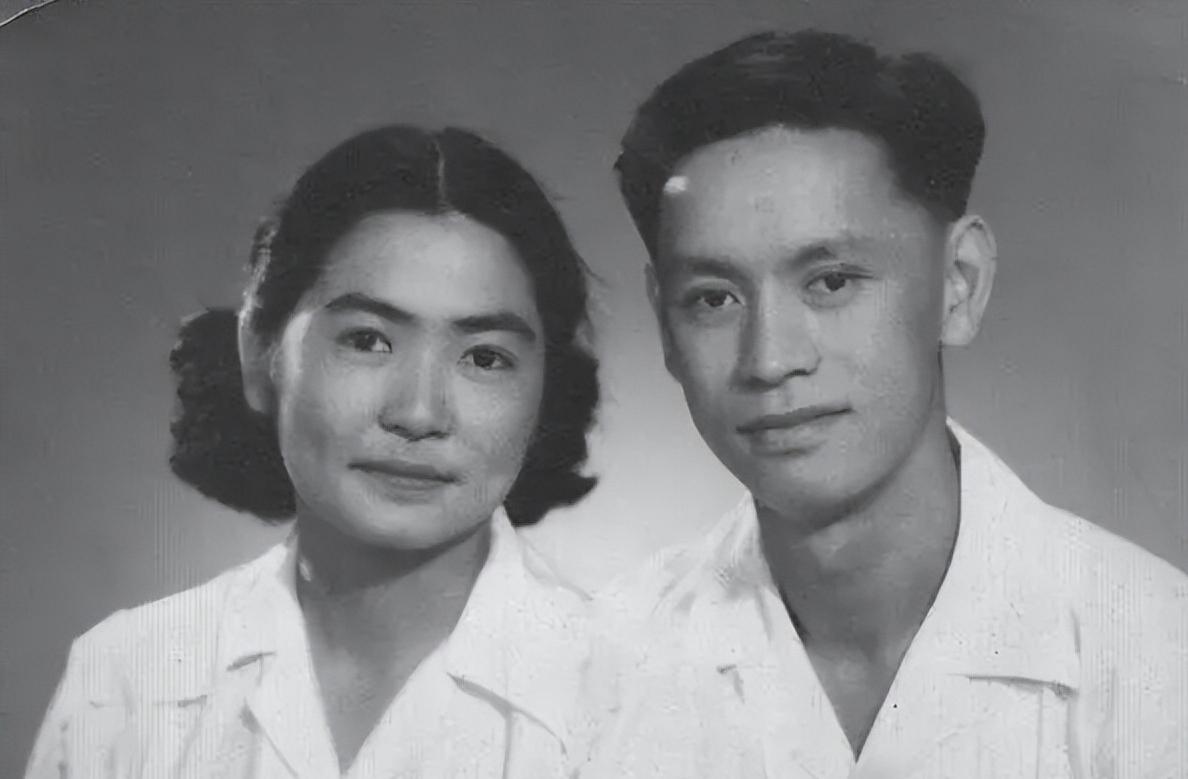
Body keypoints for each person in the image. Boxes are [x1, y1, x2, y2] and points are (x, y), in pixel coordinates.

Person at [578, 29, 1188, 778]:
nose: (770, 359)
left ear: (959, 283)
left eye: (831, 281)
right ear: (664, 327)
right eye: (714, 298)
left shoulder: (1159, 660)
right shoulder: (593, 673)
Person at [25, 124, 600, 777]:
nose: (418, 413)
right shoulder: (126, 682)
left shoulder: (631, 695)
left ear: (545, 392)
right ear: (259, 355)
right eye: (367, 340)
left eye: (485, 358)